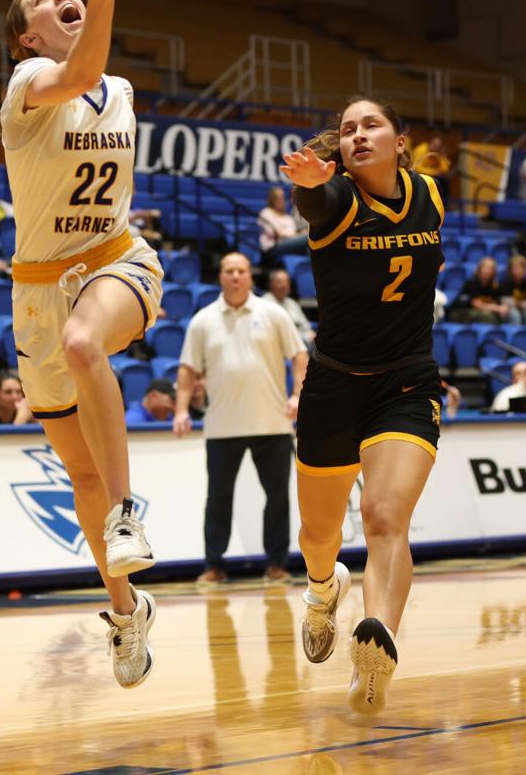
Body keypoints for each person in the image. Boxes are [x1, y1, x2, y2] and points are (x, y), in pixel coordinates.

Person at [0, 0, 164, 688]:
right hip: (35, 288)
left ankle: (130, 512)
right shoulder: (30, 81)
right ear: (25, 38)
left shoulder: (121, 91)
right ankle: (127, 613)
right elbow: (80, 68)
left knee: (83, 342)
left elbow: (95, 68)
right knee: (80, 479)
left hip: (115, 261)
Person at [280, 95, 446, 715]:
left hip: (405, 383)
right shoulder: (338, 199)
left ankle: (376, 648)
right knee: (320, 535)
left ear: (399, 139)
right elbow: (316, 205)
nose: (357, 135)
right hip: (332, 387)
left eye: (371, 124)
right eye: (347, 129)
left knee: (383, 519)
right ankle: (323, 591)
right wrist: (310, 186)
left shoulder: (429, 195)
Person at [173, 252, 308, 587]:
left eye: (241, 271)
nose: (235, 276)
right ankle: (214, 565)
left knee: (277, 498)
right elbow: (188, 369)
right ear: (220, 277)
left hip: (273, 424)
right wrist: (180, 410)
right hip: (222, 426)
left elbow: (300, 355)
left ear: (250, 277)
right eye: (229, 271)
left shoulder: (273, 313)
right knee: (218, 499)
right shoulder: (203, 320)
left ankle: (277, 564)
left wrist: (297, 395)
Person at [258, 186, 309, 262]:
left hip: (288, 242)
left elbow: (291, 232)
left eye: (282, 198)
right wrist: (297, 234)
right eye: (278, 198)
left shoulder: (287, 217)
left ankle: (307, 269)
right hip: (272, 246)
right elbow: (275, 233)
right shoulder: (266, 213)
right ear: (272, 199)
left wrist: (296, 234)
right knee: (307, 239)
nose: (281, 200)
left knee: (310, 244)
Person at [267, 268, 315, 348]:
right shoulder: (265, 303)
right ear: (271, 284)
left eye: (287, 282)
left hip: (302, 342)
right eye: (279, 282)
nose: (284, 285)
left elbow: (305, 326)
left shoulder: (293, 303)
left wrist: (311, 335)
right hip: (281, 344)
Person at [458, 256, 508, 324]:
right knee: (487, 315)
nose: (488, 271)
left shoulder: (495, 286)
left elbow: (499, 303)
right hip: (462, 311)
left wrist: (503, 307)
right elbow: (477, 304)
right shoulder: (472, 284)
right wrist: (496, 308)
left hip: (483, 312)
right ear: (479, 269)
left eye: (491, 269)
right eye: (486, 268)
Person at [498, 254, 526, 326]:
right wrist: (521, 304)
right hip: (507, 310)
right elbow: (507, 302)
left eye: (520, 268)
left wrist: (519, 304)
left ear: (525, 270)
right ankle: (515, 333)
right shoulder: (506, 282)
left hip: (521, 308)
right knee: (515, 314)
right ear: (510, 270)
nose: (518, 271)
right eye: (515, 269)